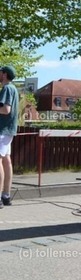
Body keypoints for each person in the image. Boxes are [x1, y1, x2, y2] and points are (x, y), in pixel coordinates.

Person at [0, 65, 19, 207]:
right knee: (7, 161)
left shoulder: (6, 88)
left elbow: (6, 109)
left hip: (2, 129)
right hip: (9, 130)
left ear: (4, 74)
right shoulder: (14, 89)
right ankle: (6, 196)